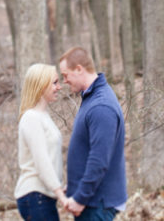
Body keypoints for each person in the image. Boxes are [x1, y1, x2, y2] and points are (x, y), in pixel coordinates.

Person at [58, 47, 127, 220]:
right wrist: (75, 187)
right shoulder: (92, 98)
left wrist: (81, 197)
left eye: (66, 75)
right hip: (92, 201)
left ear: (79, 69)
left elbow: (99, 160)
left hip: (97, 203)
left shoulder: (101, 107)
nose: (64, 81)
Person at [14, 63, 67, 220]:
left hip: (43, 196)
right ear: (41, 85)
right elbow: (41, 160)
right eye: (55, 82)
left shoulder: (43, 116)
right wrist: (60, 194)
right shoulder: (31, 118)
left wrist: (60, 188)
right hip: (35, 195)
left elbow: (51, 159)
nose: (59, 87)